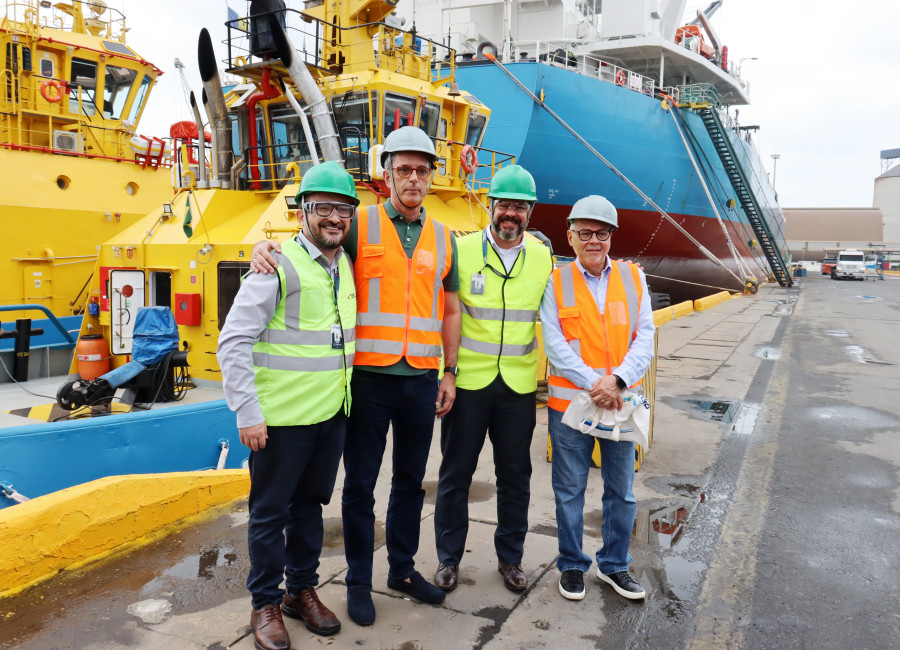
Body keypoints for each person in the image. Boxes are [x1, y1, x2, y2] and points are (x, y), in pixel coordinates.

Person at [250, 126, 460, 626]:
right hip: (366, 381)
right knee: (360, 486)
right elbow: (310, 241)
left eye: (421, 170)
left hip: (420, 380)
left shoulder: (444, 237)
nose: (412, 178)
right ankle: (359, 580)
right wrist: (265, 248)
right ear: (386, 174)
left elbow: (450, 309)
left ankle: (402, 570)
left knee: (410, 482)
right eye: (403, 169)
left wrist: (449, 371)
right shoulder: (359, 223)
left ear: (431, 178)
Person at [218, 161, 359, 649]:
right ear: (302, 213)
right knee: (269, 515)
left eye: (343, 208)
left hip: (328, 416)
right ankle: (265, 603)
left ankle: (301, 590)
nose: (334, 217)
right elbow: (233, 341)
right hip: (280, 424)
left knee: (309, 510)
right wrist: (248, 412)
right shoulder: (276, 264)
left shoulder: (343, 265)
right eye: (323, 207)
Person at [432, 165, 552, 593]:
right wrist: (444, 371)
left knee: (515, 477)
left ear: (529, 212)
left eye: (520, 207)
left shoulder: (542, 256)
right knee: (455, 475)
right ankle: (448, 559)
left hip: (519, 389)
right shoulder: (460, 251)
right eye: (504, 205)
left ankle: (511, 558)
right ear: (491, 206)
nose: (511, 214)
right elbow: (438, 309)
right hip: (468, 385)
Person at [540, 194, 656, 602]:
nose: (594, 240)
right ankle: (572, 565)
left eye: (601, 233)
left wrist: (619, 381)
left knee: (621, 491)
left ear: (612, 237)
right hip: (572, 406)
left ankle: (614, 565)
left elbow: (645, 338)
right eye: (585, 233)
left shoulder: (633, 278)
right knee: (569, 490)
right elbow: (554, 343)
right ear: (569, 237)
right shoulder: (555, 280)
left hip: (621, 405)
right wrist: (597, 384)